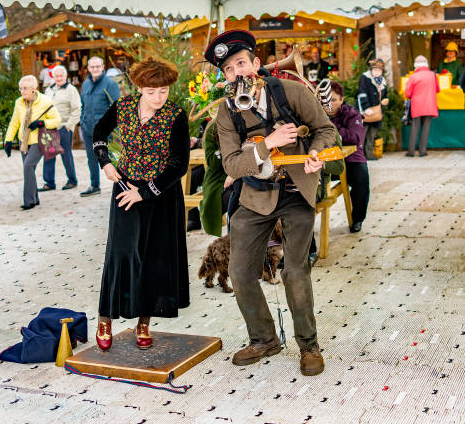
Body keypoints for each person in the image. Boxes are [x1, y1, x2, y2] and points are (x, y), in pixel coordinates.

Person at [208, 29, 335, 376]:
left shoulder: (291, 92)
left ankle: (308, 346)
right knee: (239, 272)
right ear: (225, 77)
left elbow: (326, 129)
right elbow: (232, 164)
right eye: (229, 70)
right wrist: (269, 143)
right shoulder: (227, 111)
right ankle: (264, 338)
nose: (237, 74)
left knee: (294, 271)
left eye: (241, 64)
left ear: (256, 64)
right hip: (254, 195)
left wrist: (315, 154)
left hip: (295, 192)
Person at [92, 57, 190, 351]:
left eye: (163, 91)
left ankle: (144, 322)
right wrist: (105, 163)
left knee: (153, 259)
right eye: (151, 92)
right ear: (139, 88)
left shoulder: (176, 116)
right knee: (120, 255)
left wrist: (145, 192)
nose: (159, 97)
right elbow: (98, 134)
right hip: (124, 191)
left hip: (162, 196)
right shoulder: (122, 108)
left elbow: (179, 165)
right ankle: (105, 318)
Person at [4, 75, 61, 209]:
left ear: (33, 89)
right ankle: (35, 198)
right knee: (29, 169)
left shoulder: (45, 102)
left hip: (39, 140)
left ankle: (28, 200)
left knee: (28, 166)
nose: (22, 91)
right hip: (24, 140)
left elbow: (57, 120)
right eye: (20, 88)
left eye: (25, 88)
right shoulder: (19, 102)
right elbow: (14, 122)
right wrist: (8, 140)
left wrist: (42, 123)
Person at [324, 81, 369, 233]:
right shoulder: (316, 113)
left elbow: (356, 138)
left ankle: (357, 219)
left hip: (350, 159)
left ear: (341, 100)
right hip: (323, 160)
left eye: (334, 100)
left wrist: (331, 130)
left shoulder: (351, 113)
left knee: (362, 179)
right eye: (326, 100)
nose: (329, 104)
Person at [79, 56, 120, 197]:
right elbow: (83, 106)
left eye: (98, 66)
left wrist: (114, 130)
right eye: (92, 67)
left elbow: (117, 108)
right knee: (92, 159)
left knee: (112, 158)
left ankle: (121, 185)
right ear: (88, 69)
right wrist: (82, 121)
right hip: (88, 129)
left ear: (103, 67)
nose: (95, 69)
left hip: (105, 132)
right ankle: (94, 185)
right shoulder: (85, 85)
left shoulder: (110, 84)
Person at [40, 65, 81, 191]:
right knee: (49, 155)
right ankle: (49, 183)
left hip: (64, 127)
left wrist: (69, 125)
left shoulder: (71, 90)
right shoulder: (49, 90)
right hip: (49, 127)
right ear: (53, 76)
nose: (58, 78)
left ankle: (72, 180)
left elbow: (77, 109)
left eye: (61, 75)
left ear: (65, 76)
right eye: (56, 76)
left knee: (66, 155)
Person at [405, 56, 440, 157]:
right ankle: (422, 151)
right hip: (430, 105)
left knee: (414, 128)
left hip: (417, 106)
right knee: (426, 128)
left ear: (416, 65)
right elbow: (437, 89)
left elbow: (407, 94)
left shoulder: (413, 76)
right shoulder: (432, 75)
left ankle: (411, 152)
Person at [356, 58, 388, 161]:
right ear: (371, 70)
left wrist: (384, 99)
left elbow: (384, 94)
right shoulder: (365, 78)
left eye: (379, 70)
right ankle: (360, 155)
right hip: (366, 110)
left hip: (376, 111)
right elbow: (361, 93)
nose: (377, 72)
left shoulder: (382, 81)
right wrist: (365, 108)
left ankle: (369, 154)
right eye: (375, 70)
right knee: (363, 134)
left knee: (372, 133)